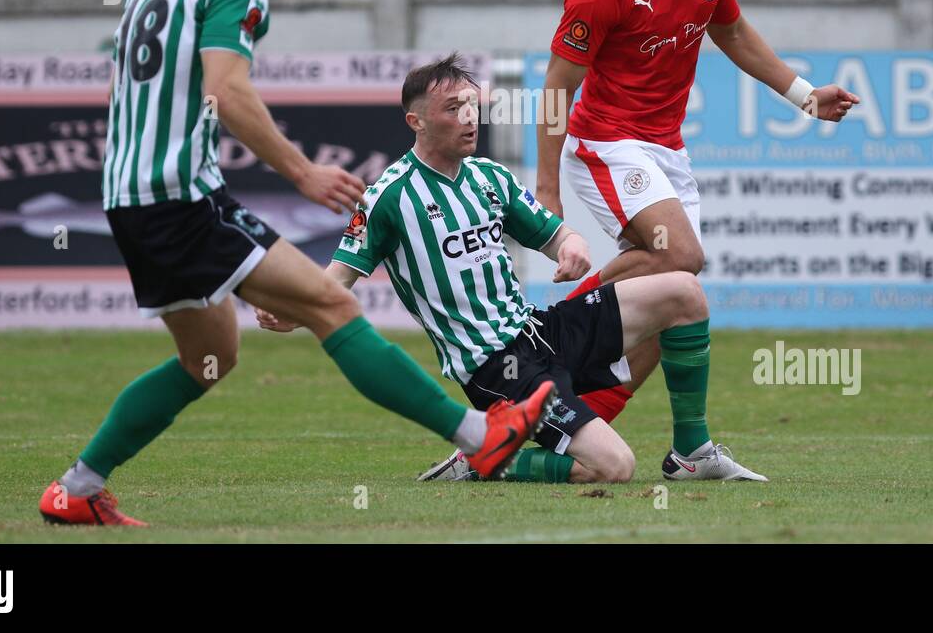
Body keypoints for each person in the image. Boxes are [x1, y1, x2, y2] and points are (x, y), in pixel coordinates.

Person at [39, 0, 552, 526]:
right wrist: (302, 172)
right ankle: (479, 437)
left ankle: (77, 488)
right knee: (331, 308)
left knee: (211, 358)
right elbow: (227, 89)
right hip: (181, 197)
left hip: (129, 194)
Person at [258, 54, 766, 483]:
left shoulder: (489, 178)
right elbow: (337, 280)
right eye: (452, 108)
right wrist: (294, 308)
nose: (468, 118)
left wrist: (571, 248)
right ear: (416, 122)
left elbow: (555, 232)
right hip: (497, 367)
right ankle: (487, 455)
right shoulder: (389, 197)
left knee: (683, 291)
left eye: (471, 106)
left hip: (540, 331)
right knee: (614, 467)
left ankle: (691, 454)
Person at [535, 0, 861, 425]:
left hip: (666, 149)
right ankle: (546, 335)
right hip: (605, 141)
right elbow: (558, 88)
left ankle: (585, 425)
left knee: (672, 295)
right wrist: (549, 192)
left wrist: (805, 96)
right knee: (681, 255)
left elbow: (732, 33)